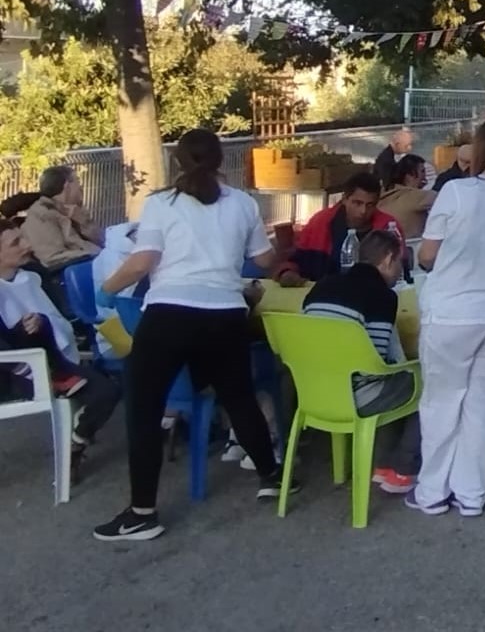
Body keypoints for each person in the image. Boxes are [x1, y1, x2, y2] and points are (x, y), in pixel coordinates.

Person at [93, 129, 285, 541]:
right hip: (226, 315)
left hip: (170, 314)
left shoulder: (162, 203)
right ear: (221, 160)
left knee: (144, 408)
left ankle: (143, 512)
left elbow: (144, 260)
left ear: (178, 160)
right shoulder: (244, 203)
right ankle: (271, 476)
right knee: (239, 397)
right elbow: (265, 260)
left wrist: (108, 288)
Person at [409, 117, 485, 517]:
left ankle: (432, 491)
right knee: (482, 405)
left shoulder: (456, 192)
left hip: (451, 312)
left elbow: (427, 254)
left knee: (442, 404)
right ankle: (472, 492)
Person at [302, 229, 421, 494]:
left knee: (399, 375)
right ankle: (403, 468)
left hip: (313, 393)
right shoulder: (383, 297)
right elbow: (376, 363)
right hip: (356, 395)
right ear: (389, 259)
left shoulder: (322, 285)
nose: (400, 272)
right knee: (426, 380)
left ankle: (383, 463)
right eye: (400, 264)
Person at [0, 220, 120, 475]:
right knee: (105, 391)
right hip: (20, 373)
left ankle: (76, 444)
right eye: (16, 243)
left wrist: (42, 323)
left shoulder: (33, 275)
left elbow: (62, 315)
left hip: (59, 358)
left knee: (109, 390)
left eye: (23, 238)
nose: (27, 245)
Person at [275, 173, 402, 285]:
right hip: (320, 294)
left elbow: (400, 271)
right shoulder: (320, 222)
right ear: (344, 199)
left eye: (370, 205)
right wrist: (287, 273)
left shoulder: (388, 227)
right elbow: (295, 259)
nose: (363, 211)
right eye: (357, 203)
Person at [21, 166, 104, 270]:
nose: (81, 187)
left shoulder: (76, 210)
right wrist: (95, 254)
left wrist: (84, 222)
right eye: (77, 182)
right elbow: (52, 258)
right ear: (67, 186)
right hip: (75, 272)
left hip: (95, 263)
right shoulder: (41, 216)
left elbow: (102, 240)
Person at [378, 155, 436, 241]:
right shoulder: (416, 197)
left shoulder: (384, 194)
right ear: (410, 175)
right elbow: (445, 197)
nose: (425, 176)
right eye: (422, 171)